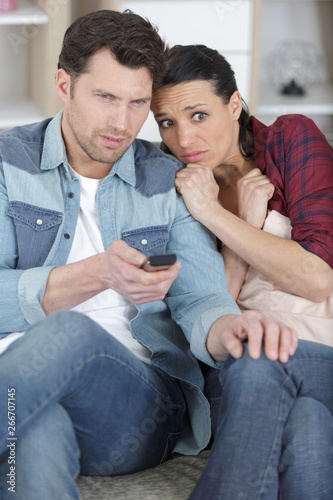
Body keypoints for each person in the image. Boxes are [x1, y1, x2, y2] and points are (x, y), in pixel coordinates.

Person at [0, 12, 297, 500]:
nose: (122, 123)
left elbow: (201, 298)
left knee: (70, 332)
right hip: (20, 396)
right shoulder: (10, 163)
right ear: (63, 84)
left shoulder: (164, 180)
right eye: (105, 98)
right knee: (33, 435)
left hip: (136, 407)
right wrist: (95, 273)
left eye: (139, 103)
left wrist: (231, 330)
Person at [151, 44, 333, 499]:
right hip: (235, 367)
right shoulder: (174, 185)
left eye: (198, 115)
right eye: (167, 123)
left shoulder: (291, 139)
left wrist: (216, 217)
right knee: (307, 426)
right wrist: (233, 225)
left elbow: (316, 278)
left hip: (320, 351)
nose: (183, 140)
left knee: (259, 358)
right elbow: (207, 313)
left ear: (234, 105)